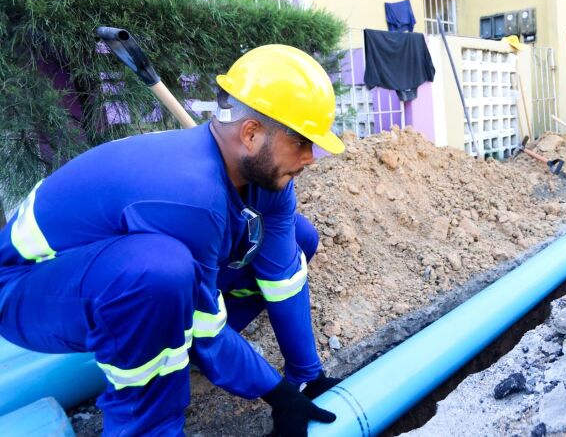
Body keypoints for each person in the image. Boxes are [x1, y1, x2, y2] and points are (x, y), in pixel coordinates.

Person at [0, 45, 345, 435]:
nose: (311, 157)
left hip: (114, 268)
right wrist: (276, 393)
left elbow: (282, 278)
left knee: (297, 234)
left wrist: (305, 377)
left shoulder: (267, 180)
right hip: (31, 289)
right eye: (301, 142)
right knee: (158, 273)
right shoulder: (190, 195)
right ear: (250, 133)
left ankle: (181, 347)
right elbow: (206, 326)